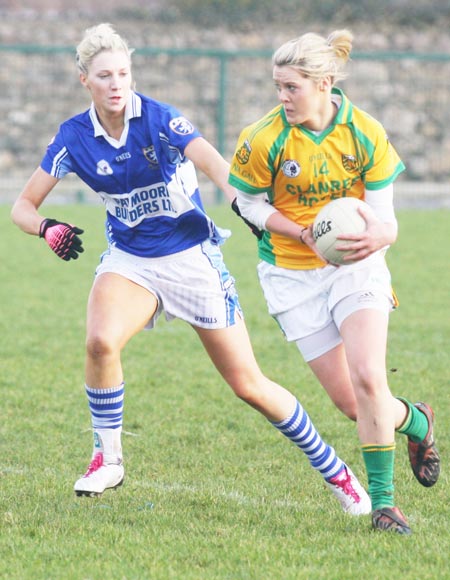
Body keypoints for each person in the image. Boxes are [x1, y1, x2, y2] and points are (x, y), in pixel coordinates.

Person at [10, 23, 372, 517]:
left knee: (249, 385)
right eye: (105, 76)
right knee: (99, 342)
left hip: (191, 259)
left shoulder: (159, 119)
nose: (117, 84)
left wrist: (244, 205)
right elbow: (22, 207)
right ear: (84, 81)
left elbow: (215, 165)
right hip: (131, 260)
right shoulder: (74, 137)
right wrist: (47, 227)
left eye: (124, 73)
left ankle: (338, 473)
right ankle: (107, 458)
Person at [229, 29, 440, 535]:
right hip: (290, 275)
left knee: (369, 377)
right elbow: (247, 203)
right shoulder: (263, 137)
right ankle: (417, 422)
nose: (282, 97)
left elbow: (386, 219)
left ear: (323, 83)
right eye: (278, 87)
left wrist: (379, 238)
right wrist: (300, 231)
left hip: (355, 267)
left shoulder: (364, 131)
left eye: (291, 87)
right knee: (352, 404)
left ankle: (386, 506)